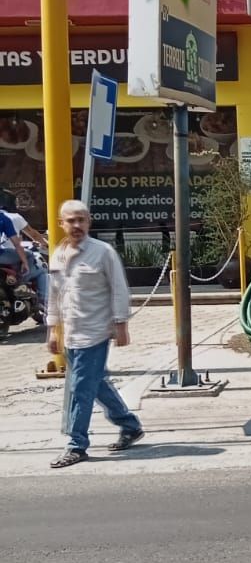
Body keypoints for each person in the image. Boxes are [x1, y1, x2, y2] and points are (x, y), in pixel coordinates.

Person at [46, 199, 145, 469]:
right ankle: (129, 425)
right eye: (71, 220)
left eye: (82, 219)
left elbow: (119, 288)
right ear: (61, 223)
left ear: (89, 221)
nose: (77, 225)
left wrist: (121, 324)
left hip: (96, 331)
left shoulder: (103, 252)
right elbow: (54, 295)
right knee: (95, 383)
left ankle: (76, 444)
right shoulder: (58, 254)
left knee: (80, 388)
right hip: (72, 334)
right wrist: (53, 330)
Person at [0, 202, 49, 308]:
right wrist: (46, 245)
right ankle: (23, 285)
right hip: (7, 255)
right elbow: (30, 235)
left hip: (5, 257)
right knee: (40, 268)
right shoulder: (12, 217)